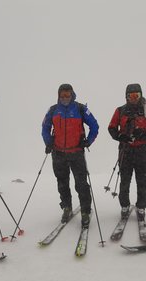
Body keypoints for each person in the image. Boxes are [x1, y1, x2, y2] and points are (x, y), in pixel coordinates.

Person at [42, 84, 99, 228]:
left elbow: (94, 125)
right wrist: (48, 142)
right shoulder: (53, 110)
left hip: (76, 153)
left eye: (68, 95)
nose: (65, 98)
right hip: (58, 153)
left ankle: (85, 211)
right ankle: (66, 207)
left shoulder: (80, 109)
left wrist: (89, 141)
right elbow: (45, 127)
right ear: (58, 96)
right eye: (62, 96)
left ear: (72, 94)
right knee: (62, 183)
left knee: (81, 184)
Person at [108, 83, 146, 220]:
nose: (133, 98)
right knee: (125, 179)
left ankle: (141, 207)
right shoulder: (120, 110)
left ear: (141, 95)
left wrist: (145, 134)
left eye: (136, 95)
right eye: (130, 96)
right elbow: (112, 128)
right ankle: (124, 206)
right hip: (125, 150)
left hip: (142, 150)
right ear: (126, 97)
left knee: (141, 179)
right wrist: (120, 136)